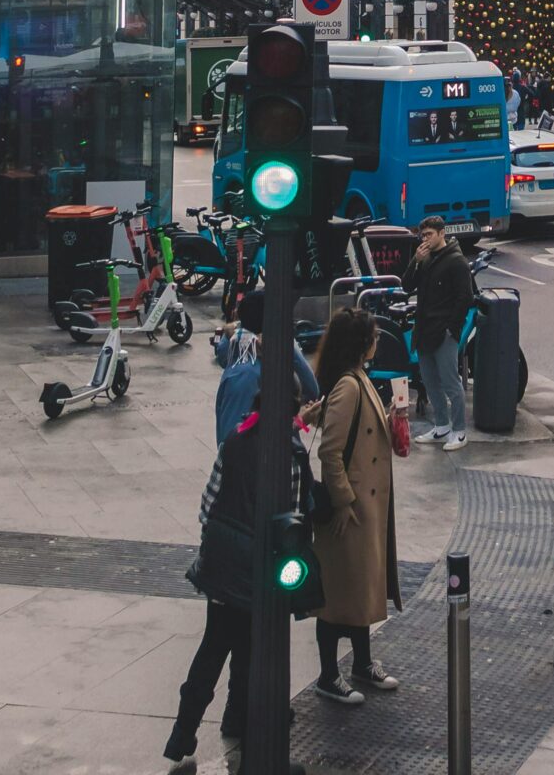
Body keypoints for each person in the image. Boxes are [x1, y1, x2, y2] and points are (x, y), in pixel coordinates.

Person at [164, 390, 313, 773]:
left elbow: (207, 503)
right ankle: (248, 745)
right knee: (248, 655)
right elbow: (293, 523)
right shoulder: (292, 456)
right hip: (258, 573)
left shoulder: (234, 440)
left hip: (222, 563)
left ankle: (182, 736)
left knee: (212, 648)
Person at [312, 306, 402, 708]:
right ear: (362, 343)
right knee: (337, 595)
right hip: (351, 509)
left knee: (361, 587)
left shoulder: (357, 378)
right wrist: (344, 501)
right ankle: (329, 674)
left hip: (368, 506)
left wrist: (389, 417)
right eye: (374, 335)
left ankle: (362, 663)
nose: (378, 341)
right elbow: (330, 452)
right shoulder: (349, 385)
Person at [213, 284, 319, 442]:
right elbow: (235, 442)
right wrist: (299, 423)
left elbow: (312, 390)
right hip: (255, 465)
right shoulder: (246, 374)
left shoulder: (252, 361)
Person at [403, 219, 472, 450]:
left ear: (442, 233)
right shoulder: (425, 259)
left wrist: (452, 329)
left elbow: (465, 298)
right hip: (424, 328)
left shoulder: (456, 261)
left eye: (430, 234)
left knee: (451, 382)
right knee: (430, 380)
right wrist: (415, 261)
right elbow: (406, 286)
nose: (425, 239)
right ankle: (441, 425)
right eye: (423, 235)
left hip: (443, 331)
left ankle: (459, 430)